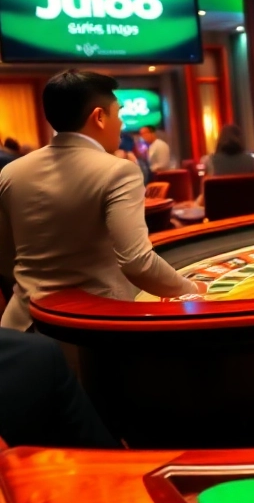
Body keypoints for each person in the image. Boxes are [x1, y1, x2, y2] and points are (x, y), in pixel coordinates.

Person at [0, 69, 204, 333]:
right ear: (99, 117)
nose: (120, 124)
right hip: (90, 332)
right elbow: (137, 263)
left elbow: (5, 257)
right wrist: (191, 289)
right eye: (117, 113)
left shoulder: (11, 172)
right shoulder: (118, 171)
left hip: (21, 326)